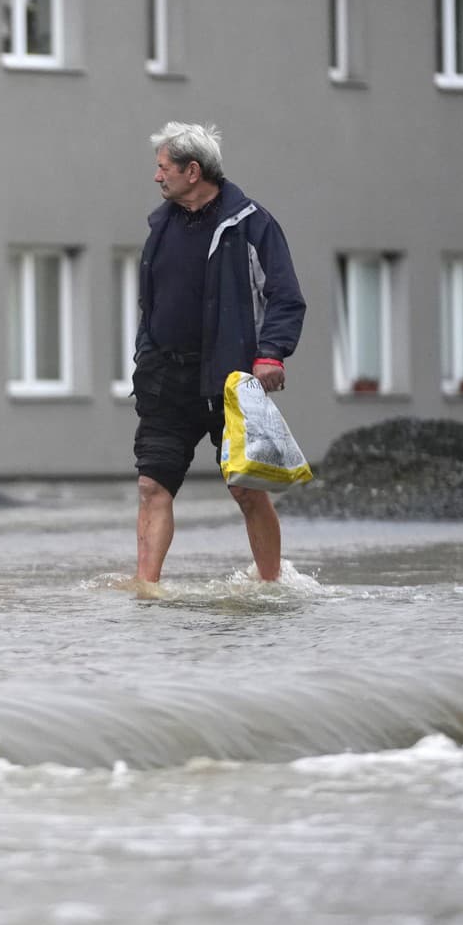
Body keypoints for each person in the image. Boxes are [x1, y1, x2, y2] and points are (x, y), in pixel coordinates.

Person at [132, 122, 305, 584]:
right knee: (152, 485)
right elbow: (150, 302)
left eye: (163, 167)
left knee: (246, 489)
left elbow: (285, 296)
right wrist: (145, 357)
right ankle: (146, 589)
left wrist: (271, 353)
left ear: (193, 171)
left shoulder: (252, 224)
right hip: (167, 378)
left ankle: (271, 585)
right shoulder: (161, 226)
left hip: (230, 381)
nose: (157, 176)